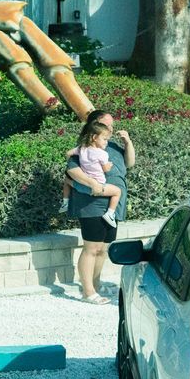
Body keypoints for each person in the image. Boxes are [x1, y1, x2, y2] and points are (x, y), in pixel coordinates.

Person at [67, 109, 134, 304]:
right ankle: (87, 291)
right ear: (95, 127)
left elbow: (129, 163)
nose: (111, 128)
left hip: (114, 203)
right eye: (107, 125)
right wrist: (93, 184)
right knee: (92, 247)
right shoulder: (85, 148)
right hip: (92, 202)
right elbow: (71, 170)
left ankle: (95, 285)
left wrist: (127, 142)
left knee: (104, 248)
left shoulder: (111, 145)